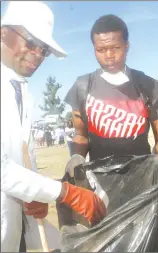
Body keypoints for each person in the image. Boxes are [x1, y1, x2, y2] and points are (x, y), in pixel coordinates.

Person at [1, 2, 106, 252]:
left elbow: (24, 155)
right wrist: (65, 192)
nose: (37, 54)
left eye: (44, 49)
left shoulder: (20, 90)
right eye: (30, 43)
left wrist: (33, 195)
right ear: (3, 32)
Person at [64, 14, 158, 171]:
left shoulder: (148, 85)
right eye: (101, 50)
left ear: (127, 45)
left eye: (115, 48)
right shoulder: (83, 86)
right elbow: (81, 135)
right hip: (100, 179)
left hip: (142, 177)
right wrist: (77, 157)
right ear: (94, 49)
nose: (109, 56)